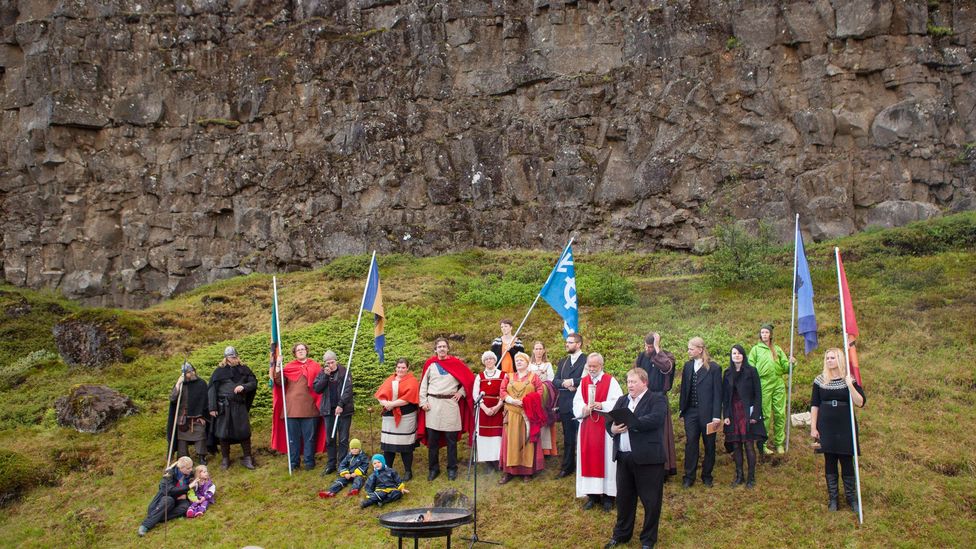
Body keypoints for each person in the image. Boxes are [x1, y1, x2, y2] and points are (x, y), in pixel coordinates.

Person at [604, 368, 669, 549]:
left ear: (644, 383)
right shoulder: (622, 400)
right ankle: (621, 535)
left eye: (633, 382)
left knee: (651, 501)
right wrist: (612, 430)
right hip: (624, 458)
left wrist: (633, 423)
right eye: (628, 381)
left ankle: (648, 540)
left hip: (648, 460)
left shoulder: (657, 399)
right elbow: (609, 421)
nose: (630, 385)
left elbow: (656, 419)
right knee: (624, 499)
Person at [810, 347, 865, 513]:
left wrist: (850, 385)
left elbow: (860, 402)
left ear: (839, 359)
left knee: (847, 460)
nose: (829, 360)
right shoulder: (820, 380)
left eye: (832, 358)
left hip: (845, 425)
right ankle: (833, 499)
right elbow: (814, 404)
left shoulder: (850, 379)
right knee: (830, 460)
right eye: (827, 358)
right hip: (826, 424)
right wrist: (813, 427)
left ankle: (851, 498)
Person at [418, 338, 475, 481]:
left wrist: (461, 392)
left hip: (450, 405)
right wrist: (423, 402)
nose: (442, 349)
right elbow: (423, 385)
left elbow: (469, 380)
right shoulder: (430, 364)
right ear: (435, 349)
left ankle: (452, 469)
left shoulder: (456, 364)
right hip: (433, 405)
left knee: (451, 440)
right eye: (439, 347)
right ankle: (433, 469)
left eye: (444, 346)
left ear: (448, 349)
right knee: (433, 441)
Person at [574, 352, 623, 511]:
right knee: (588, 457)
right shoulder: (583, 382)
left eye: (594, 366)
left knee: (607, 460)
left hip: (604, 426)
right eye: (589, 366)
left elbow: (619, 401)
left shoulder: (610, 381)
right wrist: (584, 408)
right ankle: (592, 495)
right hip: (588, 425)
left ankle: (609, 496)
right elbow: (577, 402)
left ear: (601, 366)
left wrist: (602, 405)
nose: (591, 369)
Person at [271, 342, 326, 471]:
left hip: (310, 409)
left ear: (307, 351)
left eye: (303, 349)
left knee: (309, 439)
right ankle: (294, 463)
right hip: (291, 410)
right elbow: (279, 382)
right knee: (293, 439)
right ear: (294, 353)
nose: (301, 351)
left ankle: (309, 463)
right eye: (298, 350)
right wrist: (278, 364)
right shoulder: (289, 367)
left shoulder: (315, 366)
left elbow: (321, 385)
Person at [678, 337, 722, 488]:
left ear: (700, 349)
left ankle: (707, 475)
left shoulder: (714, 368)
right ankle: (689, 476)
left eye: (691, 348)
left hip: (708, 413)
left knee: (709, 445)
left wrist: (717, 415)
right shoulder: (688, 366)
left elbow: (718, 393)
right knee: (691, 443)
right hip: (691, 412)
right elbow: (684, 389)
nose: (688, 351)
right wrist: (682, 410)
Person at [722, 344, 766, 488]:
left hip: (747, 412)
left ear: (743, 355)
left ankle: (751, 478)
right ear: (731, 356)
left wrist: (756, 413)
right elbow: (725, 397)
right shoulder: (727, 373)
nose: (736, 356)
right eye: (734, 353)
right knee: (736, 445)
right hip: (733, 413)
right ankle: (739, 475)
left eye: (739, 353)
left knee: (748, 445)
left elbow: (758, 394)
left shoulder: (752, 371)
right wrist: (726, 415)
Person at [498, 352, 546, 483]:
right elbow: (502, 391)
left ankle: (527, 471)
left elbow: (540, 391)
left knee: (527, 441)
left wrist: (527, 401)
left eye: (521, 360)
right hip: (512, 414)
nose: (518, 362)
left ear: (527, 363)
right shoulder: (509, 376)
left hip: (527, 414)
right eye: (517, 360)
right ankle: (509, 472)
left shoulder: (534, 377)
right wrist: (512, 400)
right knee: (511, 442)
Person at [634, 331, 677, 477]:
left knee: (661, 434)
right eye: (646, 346)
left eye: (651, 347)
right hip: (643, 398)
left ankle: (663, 468)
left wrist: (658, 349)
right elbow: (635, 374)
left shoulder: (667, 357)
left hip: (659, 399)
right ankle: (645, 464)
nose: (648, 349)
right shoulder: (641, 357)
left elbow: (666, 367)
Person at [208, 347, 258, 470]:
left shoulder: (244, 369)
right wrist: (213, 407)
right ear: (226, 358)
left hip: (239, 405)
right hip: (223, 406)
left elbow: (253, 383)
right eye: (231, 357)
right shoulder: (219, 371)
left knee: (244, 432)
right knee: (223, 433)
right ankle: (225, 459)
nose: (233, 359)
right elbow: (212, 389)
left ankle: (247, 458)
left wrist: (243, 386)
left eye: (234, 357)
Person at [748, 323, 794, 454]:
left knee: (780, 413)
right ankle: (763, 443)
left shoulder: (777, 349)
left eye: (766, 332)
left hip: (778, 382)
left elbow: (785, 367)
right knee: (765, 414)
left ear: (770, 334)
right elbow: (750, 368)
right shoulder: (756, 350)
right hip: (763, 384)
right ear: (760, 335)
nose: (764, 335)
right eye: (762, 332)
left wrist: (791, 363)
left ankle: (779, 443)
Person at [375, 358, 420, 481]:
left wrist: (393, 404)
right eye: (399, 367)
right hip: (389, 416)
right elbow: (380, 395)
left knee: (405, 446)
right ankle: (387, 470)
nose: (400, 370)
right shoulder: (390, 379)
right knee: (388, 446)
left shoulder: (412, 381)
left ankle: (408, 471)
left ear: (408, 368)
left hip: (406, 416)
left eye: (403, 367)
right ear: (396, 368)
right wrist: (386, 403)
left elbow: (409, 398)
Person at [313, 350, 355, 475]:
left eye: (332, 362)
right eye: (327, 363)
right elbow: (317, 389)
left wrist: (341, 404)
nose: (330, 365)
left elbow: (348, 390)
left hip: (344, 410)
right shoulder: (322, 373)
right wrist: (326, 376)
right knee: (330, 439)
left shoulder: (344, 372)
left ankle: (342, 464)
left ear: (336, 361)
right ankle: (331, 464)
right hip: (328, 410)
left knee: (343, 439)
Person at [553, 333, 587, 478]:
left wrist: (573, 381)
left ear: (578, 344)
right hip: (566, 404)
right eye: (567, 342)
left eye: (570, 342)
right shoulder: (563, 361)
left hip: (582, 404)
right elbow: (555, 380)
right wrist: (565, 384)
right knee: (568, 437)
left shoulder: (587, 360)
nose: (567, 344)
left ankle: (584, 466)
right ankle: (567, 467)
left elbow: (587, 378)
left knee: (584, 437)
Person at [137, 456, 194, 536]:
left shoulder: (189, 474)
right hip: (162, 502)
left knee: (186, 507)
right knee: (168, 500)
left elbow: (192, 490)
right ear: (181, 468)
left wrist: (185, 495)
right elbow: (169, 491)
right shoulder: (168, 474)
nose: (191, 469)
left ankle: (158, 517)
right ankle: (145, 525)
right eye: (188, 468)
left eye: (191, 467)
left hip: (177, 499)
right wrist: (188, 487)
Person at [167, 362, 210, 465]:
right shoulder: (181, 385)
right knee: (182, 439)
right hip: (183, 417)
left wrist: (203, 415)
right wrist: (178, 384)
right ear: (184, 374)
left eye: (192, 371)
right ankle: (184, 459)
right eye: (189, 372)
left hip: (198, 416)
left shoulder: (201, 383)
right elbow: (173, 399)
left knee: (200, 435)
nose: (192, 374)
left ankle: (202, 456)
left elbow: (205, 401)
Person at [473, 351, 504, 470]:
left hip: (498, 409)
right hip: (483, 410)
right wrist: (485, 408)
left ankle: (497, 460)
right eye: (486, 359)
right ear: (484, 362)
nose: (489, 361)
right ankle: (487, 461)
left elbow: (504, 391)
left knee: (497, 437)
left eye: (491, 358)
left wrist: (497, 407)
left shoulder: (503, 375)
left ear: (495, 360)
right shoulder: (479, 376)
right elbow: (475, 394)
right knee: (484, 437)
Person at [528, 341, 559, 458]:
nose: (538, 351)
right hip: (532, 395)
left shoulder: (548, 365)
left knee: (544, 420)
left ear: (544, 350)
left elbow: (551, 380)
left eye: (541, 349)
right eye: (536, 349)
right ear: (533, 350)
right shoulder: (529, 365)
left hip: (544, 397)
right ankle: (533, 446)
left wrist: (542, 382)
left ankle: (545, 449)